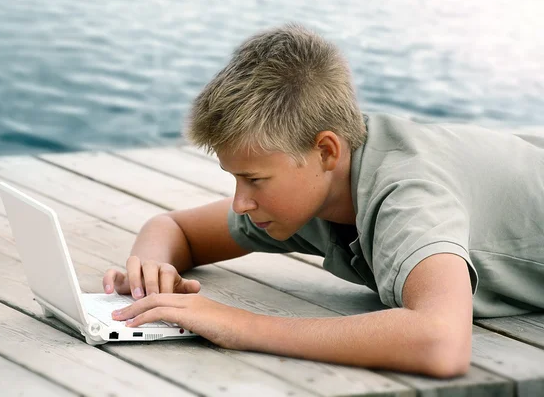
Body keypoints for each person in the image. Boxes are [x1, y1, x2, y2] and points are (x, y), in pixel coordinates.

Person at [102, 23, 544, 378]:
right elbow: (174, 229)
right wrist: (151, 275)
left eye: (254, 179)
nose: (240, 203)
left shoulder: (409, 196)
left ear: (326, 151)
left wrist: (240, 325)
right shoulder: (316, 190)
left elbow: (442, 343)